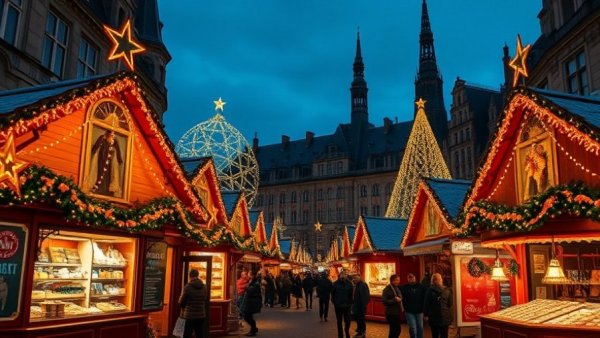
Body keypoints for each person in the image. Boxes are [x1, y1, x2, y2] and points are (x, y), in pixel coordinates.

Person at [87, 129, 123, 196]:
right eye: (110, 132)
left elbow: (117, 150)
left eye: (113, 133)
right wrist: (93, 150)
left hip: (109, 161)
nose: (112, 134)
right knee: (100, 173)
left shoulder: (114, 141)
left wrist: (119, 158)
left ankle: (106, 190)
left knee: (108, 175)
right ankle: (98, 188)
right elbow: (96, 147)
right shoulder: (102, 137)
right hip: (101, 159)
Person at [178, 269, 208, 338]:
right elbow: (205, 299)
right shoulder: (204, 287)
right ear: (198, 275)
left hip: (189, 316)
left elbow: (181, 302)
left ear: (190, 276)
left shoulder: (187, 287)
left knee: (187, 335)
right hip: (201, 315)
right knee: (199, 334)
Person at [424, 273, 453, 338]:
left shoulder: (429, 290)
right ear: (441, 280)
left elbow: (426, 303)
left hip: (434, 316)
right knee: (444, 335)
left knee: (435, 335)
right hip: (445, 316)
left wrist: (425, 315)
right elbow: (450, 303)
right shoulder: (447, 290)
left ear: (432, 280)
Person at [401, 273, 427, 338]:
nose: (411, 279)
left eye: (412, 277)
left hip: (419, 311)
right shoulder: (404, 287)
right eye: (409, 278)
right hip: (409, 311)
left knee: (420, 327)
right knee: (412, 328)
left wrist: (425, 310)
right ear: (408, 279)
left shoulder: (421, 287)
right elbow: (397, 292)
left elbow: (425, 298)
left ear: (415, 278)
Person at [331, 270, 353, 338]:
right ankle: (340, 334)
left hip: (347, 305)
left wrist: (350, 302)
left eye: (345, 274)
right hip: (338, 305)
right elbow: (333, 294)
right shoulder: (335, 284)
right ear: (339, 275)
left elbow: (351, 294)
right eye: (342, 274)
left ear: (346, 276)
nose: (344, 275)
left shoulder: (350, 284)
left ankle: (346, 330)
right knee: (339, 320)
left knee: (348, 320)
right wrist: (334, 302)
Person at [242, 270, 262, 336]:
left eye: (249, 274)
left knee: (247, 316)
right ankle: (253, 329)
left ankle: (253, 329)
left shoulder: (256, 283)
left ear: (252, 275)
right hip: (250, 302)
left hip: (252, 302)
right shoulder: (251, 281)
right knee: (248, 316)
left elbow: (251, 291)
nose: (248, 275)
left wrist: (247, 286)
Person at [351, 274, 370, 338]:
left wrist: (363, 306)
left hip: (360, 306)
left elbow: (365, 297)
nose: (354, 280)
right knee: (358, 319)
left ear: (359, 278)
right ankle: (359, 332)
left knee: (361, 320)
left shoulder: (363, 285)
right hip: (356, 306)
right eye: (353, 278)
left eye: (355, 278)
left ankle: (362, 332)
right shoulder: (357, 285)